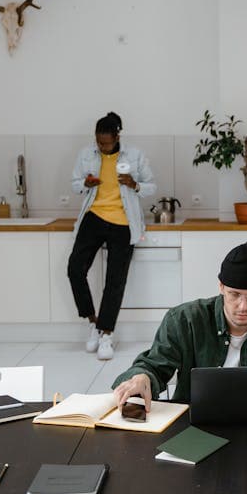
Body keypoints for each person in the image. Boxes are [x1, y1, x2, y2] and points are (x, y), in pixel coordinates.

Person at [111, 241, 247, 411]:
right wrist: (141, 378)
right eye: (234, 294)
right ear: (221, 287)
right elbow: (154, 366)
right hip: (195, 420)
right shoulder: (184, 320)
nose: (243, 306)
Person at [68, 112, 155, 361]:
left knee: (115, 281)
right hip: (94, 216)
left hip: (123, 222)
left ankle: (107, 333)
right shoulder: (87, 154)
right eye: (98, 142)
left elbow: (151, 187)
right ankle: (93, 321)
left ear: (117, 136)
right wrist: (86, 183)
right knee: (75, 268)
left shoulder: (134, 155)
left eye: (106, 142)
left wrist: (134, 184)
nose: (102, 147)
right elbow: (75, 185)